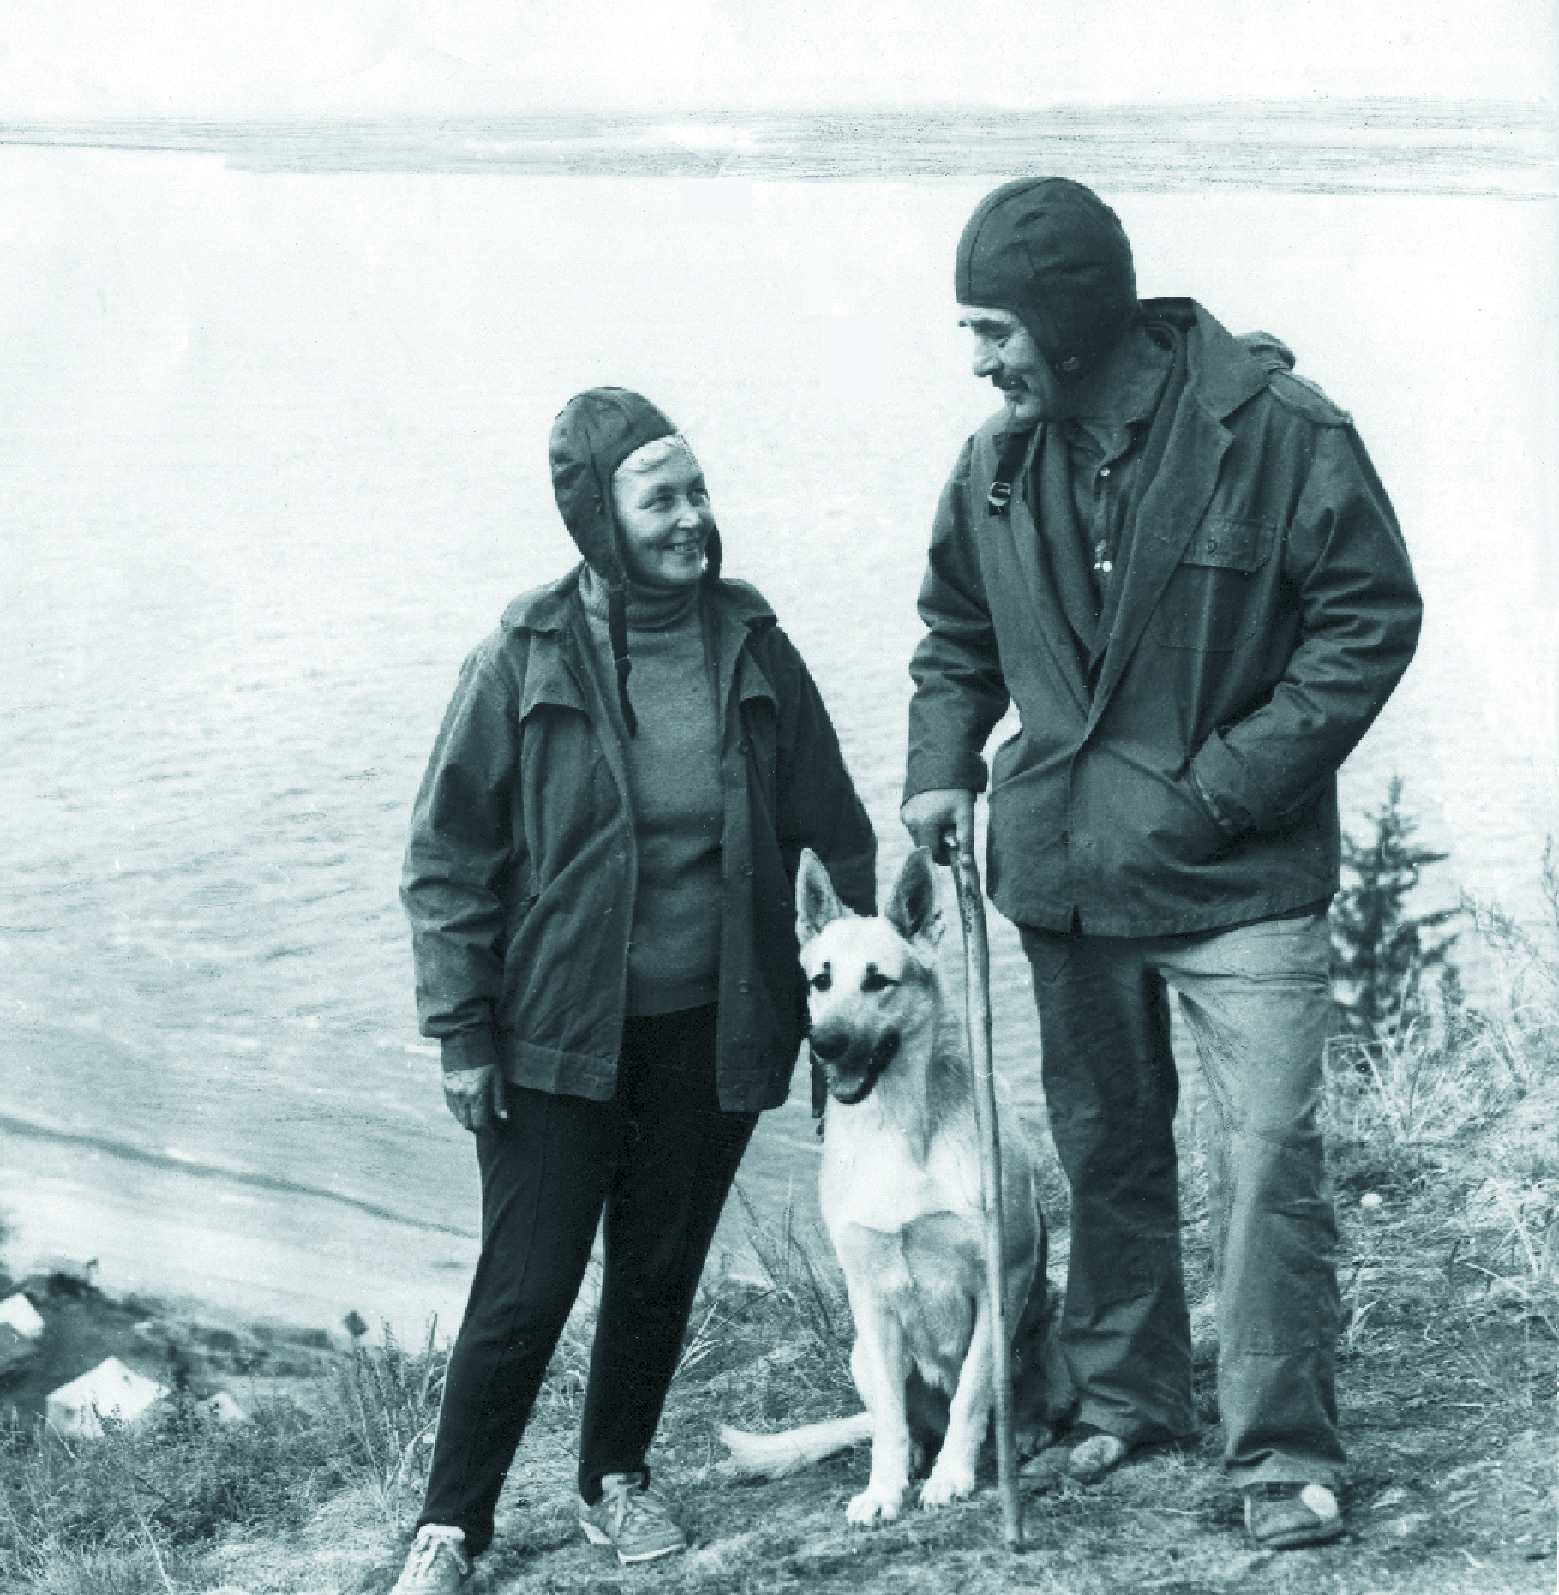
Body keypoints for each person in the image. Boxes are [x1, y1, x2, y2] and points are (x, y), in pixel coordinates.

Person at [902, 177, 1421, 1550]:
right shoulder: (992, 462)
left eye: (995, 329)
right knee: (1104, 1146)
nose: (979, 360)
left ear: (1071, 319)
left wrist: (1220, 788)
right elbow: (955, 631)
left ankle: (1283, 1451)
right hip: (1068, 872)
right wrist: (938, 763)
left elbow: (1366, 619)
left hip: (1237, 872)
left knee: (1266, 1159)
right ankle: (1127, 1392)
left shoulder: (1282, 434)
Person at [393, 387, 876, 1592]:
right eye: (660, 498)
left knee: (658, 1266)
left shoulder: (754, 646)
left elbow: (831, 836)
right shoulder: (520, 654)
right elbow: (446, 858)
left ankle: (613, 1474)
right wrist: (462, 1030)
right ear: (595, 516)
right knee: (526, 1284)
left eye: (698, 491)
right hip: (553, 1034)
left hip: (713, 1027)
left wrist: (845, 1019)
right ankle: (451, 1523)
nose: (691, 517)